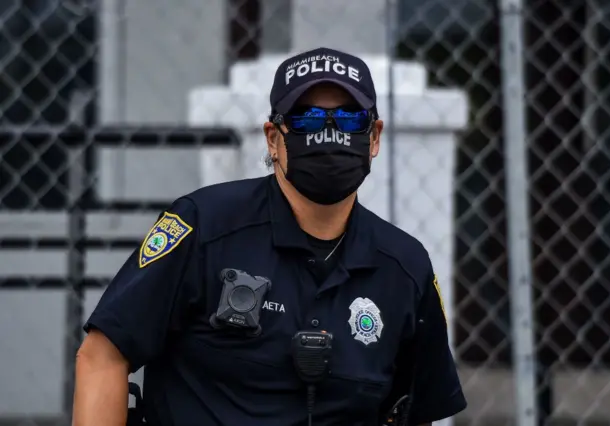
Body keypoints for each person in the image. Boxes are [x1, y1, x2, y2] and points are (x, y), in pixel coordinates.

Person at [72, 47, 467, 426]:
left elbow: (417, 410)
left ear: (374, 136)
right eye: (307, 119)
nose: (329, 132)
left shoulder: (404, 269)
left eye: (348, 120)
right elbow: (103, 356)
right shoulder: (204, 227)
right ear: (273, 139)